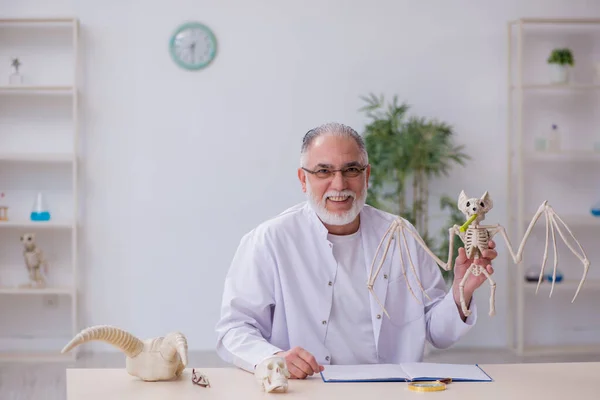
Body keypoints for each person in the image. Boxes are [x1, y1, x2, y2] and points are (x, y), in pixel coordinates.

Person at [214, 122, 497, 379]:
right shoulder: (270, 240)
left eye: (351, 170)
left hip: (391, 391)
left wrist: (462, 292)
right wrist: (273, 358)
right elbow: (234, 330)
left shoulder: (400, 235)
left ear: (366, 175)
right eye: (324, 171)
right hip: (305, 389)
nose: (339, 184)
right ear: (303, 179)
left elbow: (439, 333)